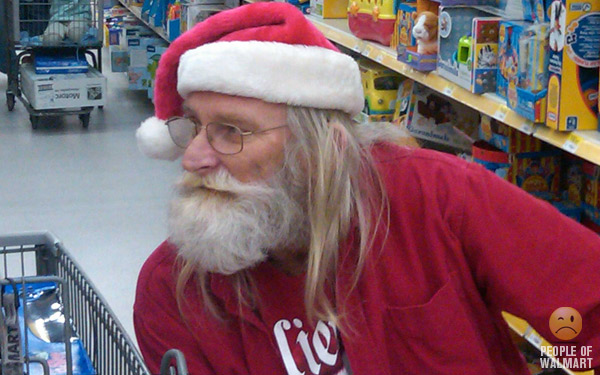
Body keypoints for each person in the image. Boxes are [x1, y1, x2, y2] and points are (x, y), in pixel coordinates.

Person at [133, 3, 600, 374]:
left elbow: (586, 310)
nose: (193, 158)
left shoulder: (436, 198)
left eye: (230, 131)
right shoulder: (175, 292)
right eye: (192, 126)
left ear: (323, 148)